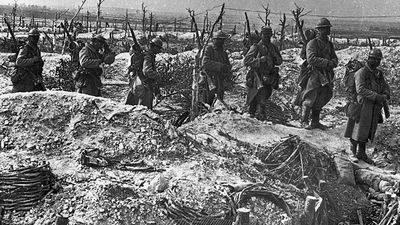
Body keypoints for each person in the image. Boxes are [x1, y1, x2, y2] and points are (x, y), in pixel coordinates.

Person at [344, 48, 390, 164]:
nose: (376, 62)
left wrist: (385, 93)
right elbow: (360, 89)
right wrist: (376, 96)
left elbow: (384, 86)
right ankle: (352, 152)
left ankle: (362, 153)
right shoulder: (361, 72)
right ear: (369, 59)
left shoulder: (378, 73)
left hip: (374, 107)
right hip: (362, 105)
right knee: (357, 129)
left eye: (378, 60)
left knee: (368, 130)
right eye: (374, 59)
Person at [300, 18, 338, 129]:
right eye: (326, 28)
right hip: (314, 74)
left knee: (322, 97)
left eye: (328, 28)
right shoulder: (312, 43)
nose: (328, 30)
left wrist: (333, 62)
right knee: (310, 96)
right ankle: (304, 121)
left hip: (326, 75)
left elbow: (334, 58)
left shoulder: (329, 44)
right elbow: (311, 59)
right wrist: (327, 62)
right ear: (320, 30)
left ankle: (315, 122)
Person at [243, 26, 282, 119]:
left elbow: (279, 62)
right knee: (259, 96)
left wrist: (274, 56)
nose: (267, 37)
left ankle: (253, 114)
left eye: (268, 35)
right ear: (261, 35)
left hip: (269, 76)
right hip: (258, 75)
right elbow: (246, 61)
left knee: (266, 94)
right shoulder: (256, 46)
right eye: (265, 35)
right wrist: (259, 60)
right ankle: (258, 115)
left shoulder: (273, 47)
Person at [127, 38, 163, 109]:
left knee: (131, 107)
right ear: (154, 47)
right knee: (145, 109)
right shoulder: (148, 56)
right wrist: (157, 76)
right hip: (144, 84)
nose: (159, 51)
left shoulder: (145, 54)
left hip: (137, 82)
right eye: (158, 48)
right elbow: (147, 71)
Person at [201, 30, 232, 106]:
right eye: (219, 39)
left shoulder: (224, 53)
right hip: (209, 80)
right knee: (207, 102)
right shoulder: (209, 49)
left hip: (220, 81)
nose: (221, 42)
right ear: (214, 40)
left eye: (223, 40)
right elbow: (205, 63)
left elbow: (227, 66)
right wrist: (221, 66)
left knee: (218, 102)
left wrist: (226, 70)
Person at [11, 28, 45, 92]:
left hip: (35, 75)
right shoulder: (25, 48)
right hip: (25, 76)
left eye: (37, 37)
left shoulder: (36, 48)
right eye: (33, 37)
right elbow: (19, 62)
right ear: (29, 38)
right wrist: (33, 60)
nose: (35, 39)